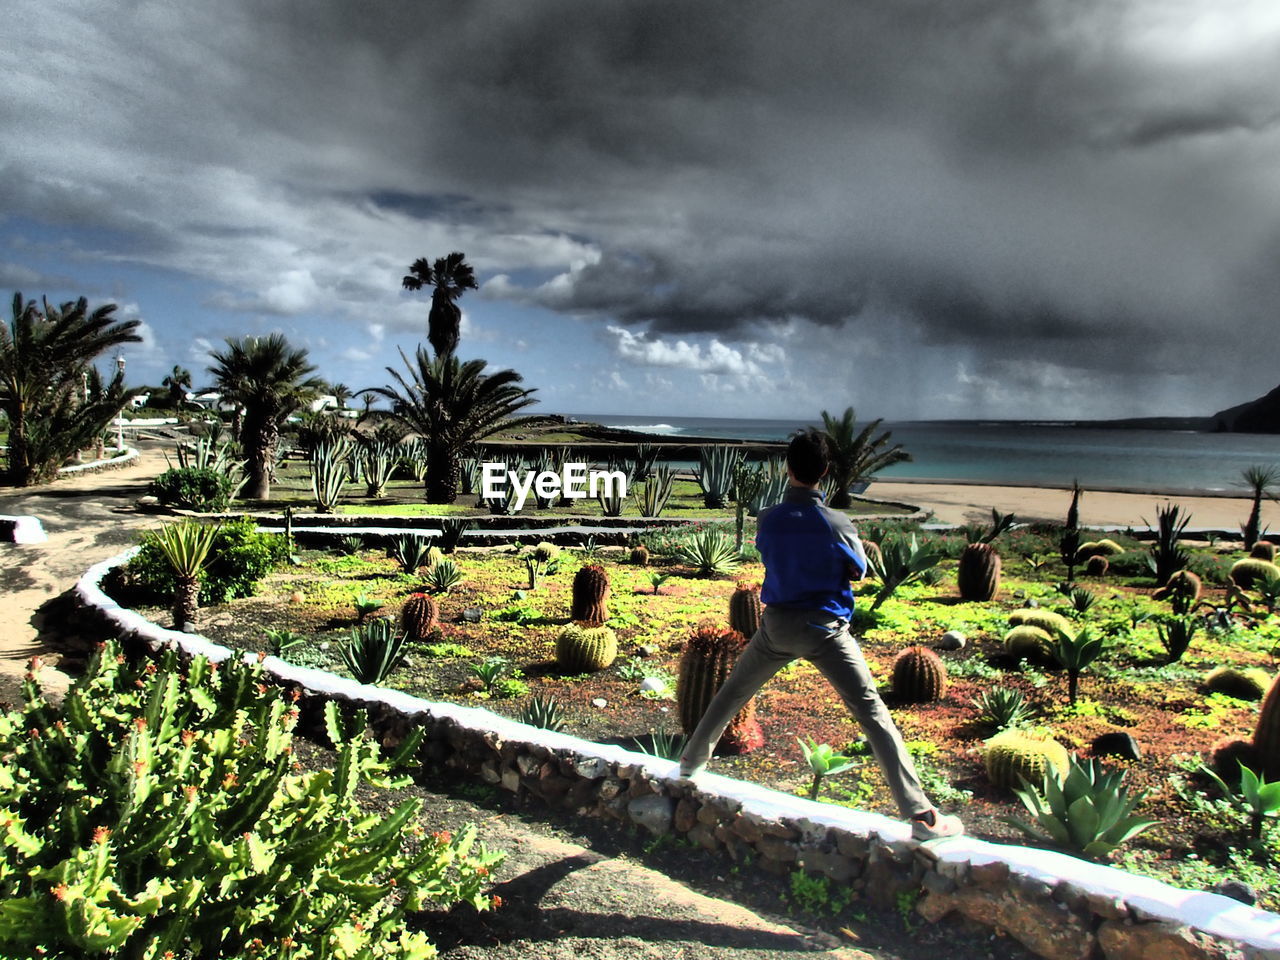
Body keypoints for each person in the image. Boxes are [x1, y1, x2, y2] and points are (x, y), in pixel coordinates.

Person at [677, 427, 963, 841]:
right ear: (825, 472)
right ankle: (921, 817)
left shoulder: (769, 519)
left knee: (732, 692)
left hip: (775, 626)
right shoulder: (836, 522)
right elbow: (860, 570)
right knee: (872, 714)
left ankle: (689, 766)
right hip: (824, 630)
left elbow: (773, 552)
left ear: (787, 468)